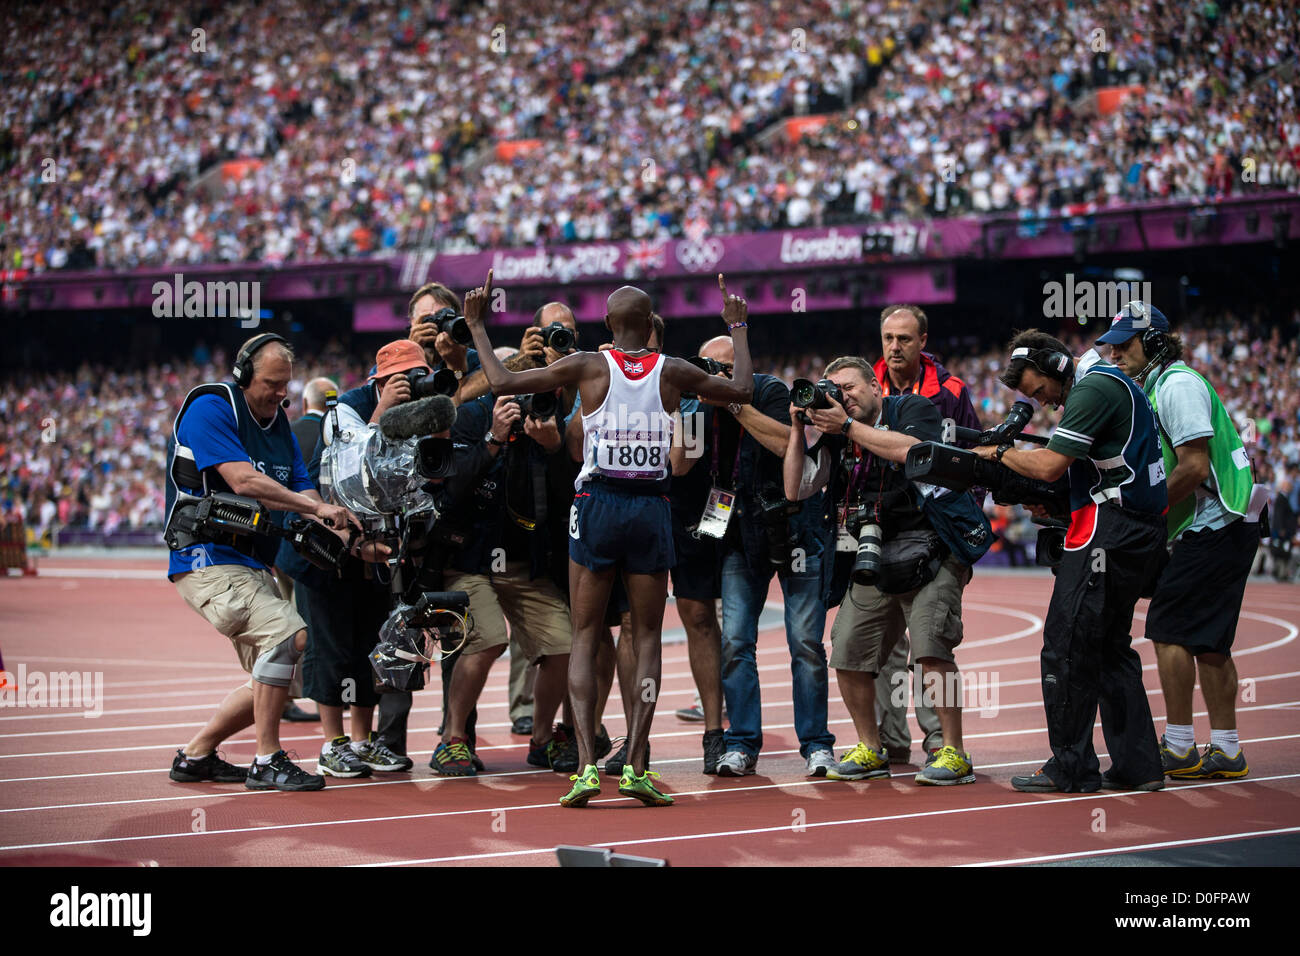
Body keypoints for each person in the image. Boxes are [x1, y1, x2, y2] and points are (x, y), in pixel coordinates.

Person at [466, 269, 754, 807]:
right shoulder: (673, 371)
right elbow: (741, 389)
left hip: (596, 504)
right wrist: (737, 328)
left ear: (606, 324)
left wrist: (479, 327)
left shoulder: (588, 365)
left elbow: (503, 382)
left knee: (584, 633)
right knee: (644, 636)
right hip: (650, 507)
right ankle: (638, 765)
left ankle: (584, 769)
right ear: (650, 326)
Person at [166, 333, 369, 791]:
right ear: (243, 376)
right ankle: (267, 760)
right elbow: (242, 481)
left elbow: (303, 488)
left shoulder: (278, 424)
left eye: (286, 385)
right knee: (290, 634)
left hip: (253, 562)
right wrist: (316, 510)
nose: (281, 394)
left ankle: (196, 755)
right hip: (206, 556)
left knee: (273, 673)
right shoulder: (213, 407)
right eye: (272, 383)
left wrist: (345, 530)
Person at [785, 356, 989, 786]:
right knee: (848, 649)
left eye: (851, 388)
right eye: (835, 390)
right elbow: (795, 487)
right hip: (876, 553)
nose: (843, 397)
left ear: (876, 387)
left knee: (932, 647)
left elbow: (910, 453)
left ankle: (954, 752)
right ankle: (870, 748)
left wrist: (846, 427)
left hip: (934, 545)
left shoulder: (912, 409)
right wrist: (797, 429)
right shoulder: (835, 433)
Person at [980, 330, 1167, 793]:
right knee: (1108, 649)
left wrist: (999, 452)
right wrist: (1056, 505)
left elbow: (1048, 466)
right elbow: (1105, 467)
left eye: (1037, 390)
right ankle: (1138, 765)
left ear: (1056, 366)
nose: (1040, 402)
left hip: (1111, 532)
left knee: (1064, 645)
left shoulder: (1094, 386)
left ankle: (1071, 766)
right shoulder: (1107, 384)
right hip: (1136, 530)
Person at [1100, 302, 1261, 780]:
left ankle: (1179, 746)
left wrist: (1144, 512)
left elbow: (1192, 466)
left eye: (1124, 343)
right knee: (1209, 641)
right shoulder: (1156, 386)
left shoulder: (1178, 385)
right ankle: (1228, 751)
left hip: (1217, 521)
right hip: (1222, 523)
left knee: (1168, 628)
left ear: (1153, 342)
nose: (1115, 353)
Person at [683, 335, 836, 778]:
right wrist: (682, 413)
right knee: (735, 642)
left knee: (805, 643)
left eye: (722, 369)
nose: (709, 375)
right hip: (737, 532)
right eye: (704, 367)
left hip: (795, 528)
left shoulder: (769, 392)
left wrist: (732, 403)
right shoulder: (696, 410)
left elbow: (786, 445)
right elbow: (680, 465)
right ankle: (742, 743)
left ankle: (816, 746)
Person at [293, 341, 433, 778]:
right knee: (330, 649)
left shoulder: (420, 415)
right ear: (380, 380)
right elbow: (344, 476)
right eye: (404, 378)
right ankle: (332, 745)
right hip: (331, 550)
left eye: (419, 377)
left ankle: (362, 741)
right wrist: (382, 415)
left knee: (370, 649)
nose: (413, 387)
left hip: (378, 551)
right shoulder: (345, 411)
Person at [872, 304, 981, 764]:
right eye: (888, 338)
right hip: (880, 536)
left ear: (923, 341)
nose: (895, 347)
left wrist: (963, 532)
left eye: (904, 339)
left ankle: (940, 740)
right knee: (880, 645)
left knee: (930, 642)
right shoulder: (863, 387)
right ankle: (890, 740)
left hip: (936, 536)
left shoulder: (951, 392)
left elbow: (977, 460)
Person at [280, 375, 337, 724]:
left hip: (284, 542)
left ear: (304, 404)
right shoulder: (339, 432)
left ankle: (285, 696)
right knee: (318, 623)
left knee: (285, 623)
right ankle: (329, 696)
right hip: (328, 543)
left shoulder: (287, 433)